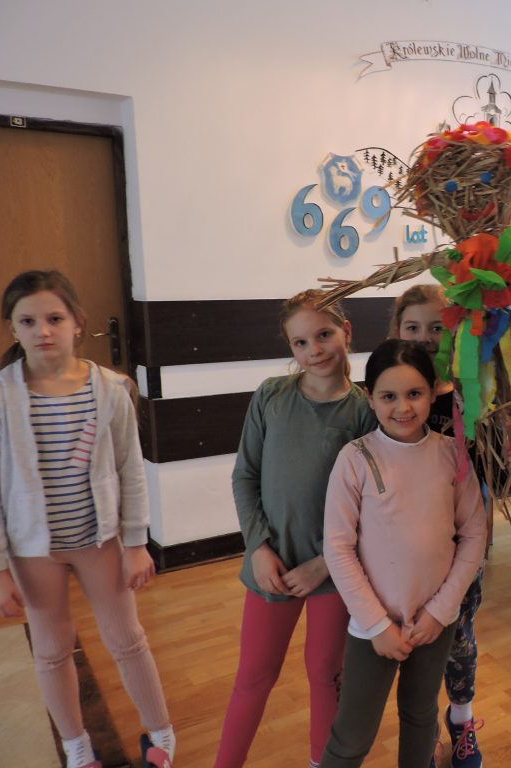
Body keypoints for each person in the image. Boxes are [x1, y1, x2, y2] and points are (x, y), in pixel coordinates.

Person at [0, 270, 175, 768]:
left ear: (77, 323)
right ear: (13, 328)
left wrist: (136, 543)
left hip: (98, 541)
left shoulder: (110, 390)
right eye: (28, 321)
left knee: (127, 640)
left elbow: (131, 470)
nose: (43, 330)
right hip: (33, 551)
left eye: (54, 318)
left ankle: (161, 735)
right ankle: (76, 746)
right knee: (51, 649)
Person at [214, 289, 377, 768]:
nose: (314, 350)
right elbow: (245, 476)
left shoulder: (365, 412)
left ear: (346, 331)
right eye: (300, 343)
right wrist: (258, 548)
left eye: (324, 335)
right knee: (254, 676)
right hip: (272, 567)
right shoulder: (271, 396)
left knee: (325, 674)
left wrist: (325, 564)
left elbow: (373, 509)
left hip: (333, 573)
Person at [320, 339, 487, 768]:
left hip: (434, 622)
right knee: (352, 735)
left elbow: (473, 535)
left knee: (420, 716)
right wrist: (377, 624)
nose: (403, 407)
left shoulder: (452, 454)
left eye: (414, 393)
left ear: (432, 392)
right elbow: (337, 547)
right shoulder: (355, 458)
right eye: (389, 396)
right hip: (372, 627)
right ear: (370, 397)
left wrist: (439, 611)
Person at [389, 284, 486, 768]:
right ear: (397, 331)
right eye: (413, 327)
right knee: (413, 647)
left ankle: (461, 720)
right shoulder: (389, 401)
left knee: (459, 640)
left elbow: (490, 472)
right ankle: (422, 731)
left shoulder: (473, 397)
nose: (425, 337)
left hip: (460, 552)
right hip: (402, 556)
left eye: (437, 327)